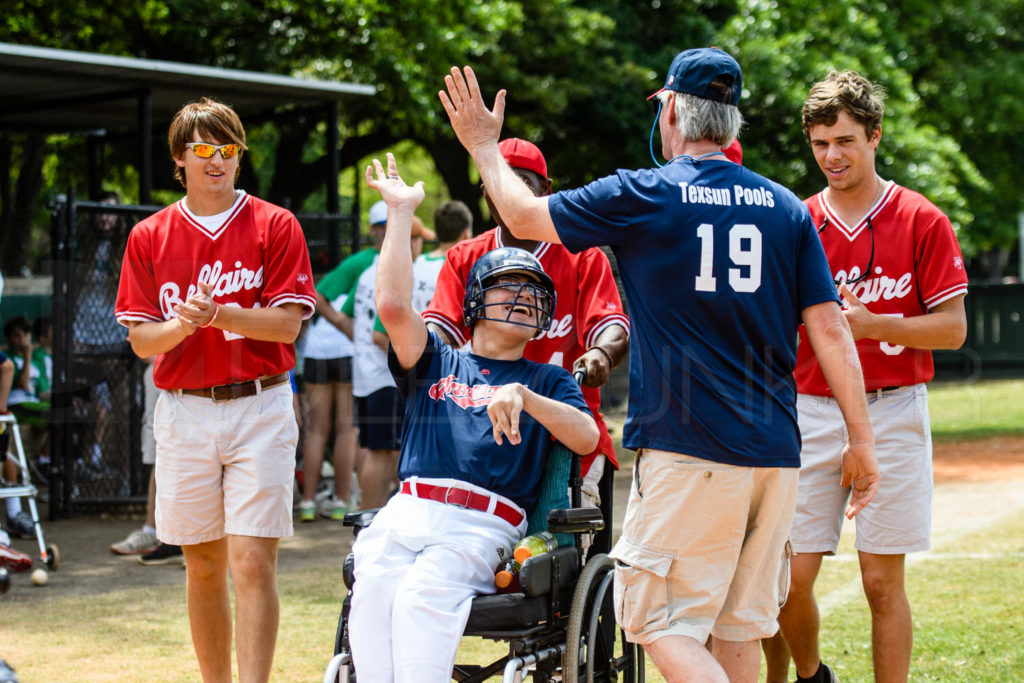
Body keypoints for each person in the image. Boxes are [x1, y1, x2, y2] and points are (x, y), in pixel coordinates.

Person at [439, 50, 880, 682]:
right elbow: (832, 329)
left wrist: (484, 146)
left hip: (688, 446)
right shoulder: (787, 207)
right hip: (777, 450)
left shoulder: (645, 193)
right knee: (737, 626)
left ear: (672, 109)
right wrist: (860, 438)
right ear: (732, 121)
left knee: (652, 621)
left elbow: (521, 216)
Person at [349, 151, 598, 682]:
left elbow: (585, 437)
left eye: (536, 293)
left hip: (481, 523)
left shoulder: (548, 380)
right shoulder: (439, 359)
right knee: (371, 590)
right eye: (511, 286)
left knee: (421, 595)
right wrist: (399, 214)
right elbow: (392, 308)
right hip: (407, 509)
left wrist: (524, 397)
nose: (526, 298)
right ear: (477, 299)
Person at [768, 70, 969, 683]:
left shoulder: (920, 217)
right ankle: (811, 675)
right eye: (821, 143)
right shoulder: (793, 221)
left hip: (894, 406)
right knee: (790, 578)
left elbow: (953, 328)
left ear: (875, 137)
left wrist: (875, 324)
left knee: (882, 583)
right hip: (811, 408)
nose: (832, 155)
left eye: (846, 141)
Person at [114, 97, 315, 683]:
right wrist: (186, 323)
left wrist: (220, 313)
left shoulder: (276, 223)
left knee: (251, 563)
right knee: (201, 564)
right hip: (186, 409)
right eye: (203, 149)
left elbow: (286, 324)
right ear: (179, 157)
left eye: (227, 149)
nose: (216, 160)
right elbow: (143, 341)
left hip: (261, 401)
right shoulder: (150, 234)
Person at [422, 138, 629, 555]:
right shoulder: (466, 257)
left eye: (524, 183)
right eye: (502, 182)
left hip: (563, 438)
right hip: (487, 433)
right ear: (486, 193)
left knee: (550, 556)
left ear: (545, 191)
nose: (513, 192)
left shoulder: (582, 256)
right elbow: (439, 329)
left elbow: (612, 326)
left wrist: (601, 354)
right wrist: (422, 357)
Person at [338, 201, 433, 509]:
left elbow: (349, 314)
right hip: (385, 377)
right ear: (411, 241)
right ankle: (370, 520)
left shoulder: (370, 270)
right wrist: (415, 361)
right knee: (383, 453)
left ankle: (371, 518)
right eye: (419, 240)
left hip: (370, 376)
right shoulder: (393, 272)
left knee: (381, 450)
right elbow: (380, 333)